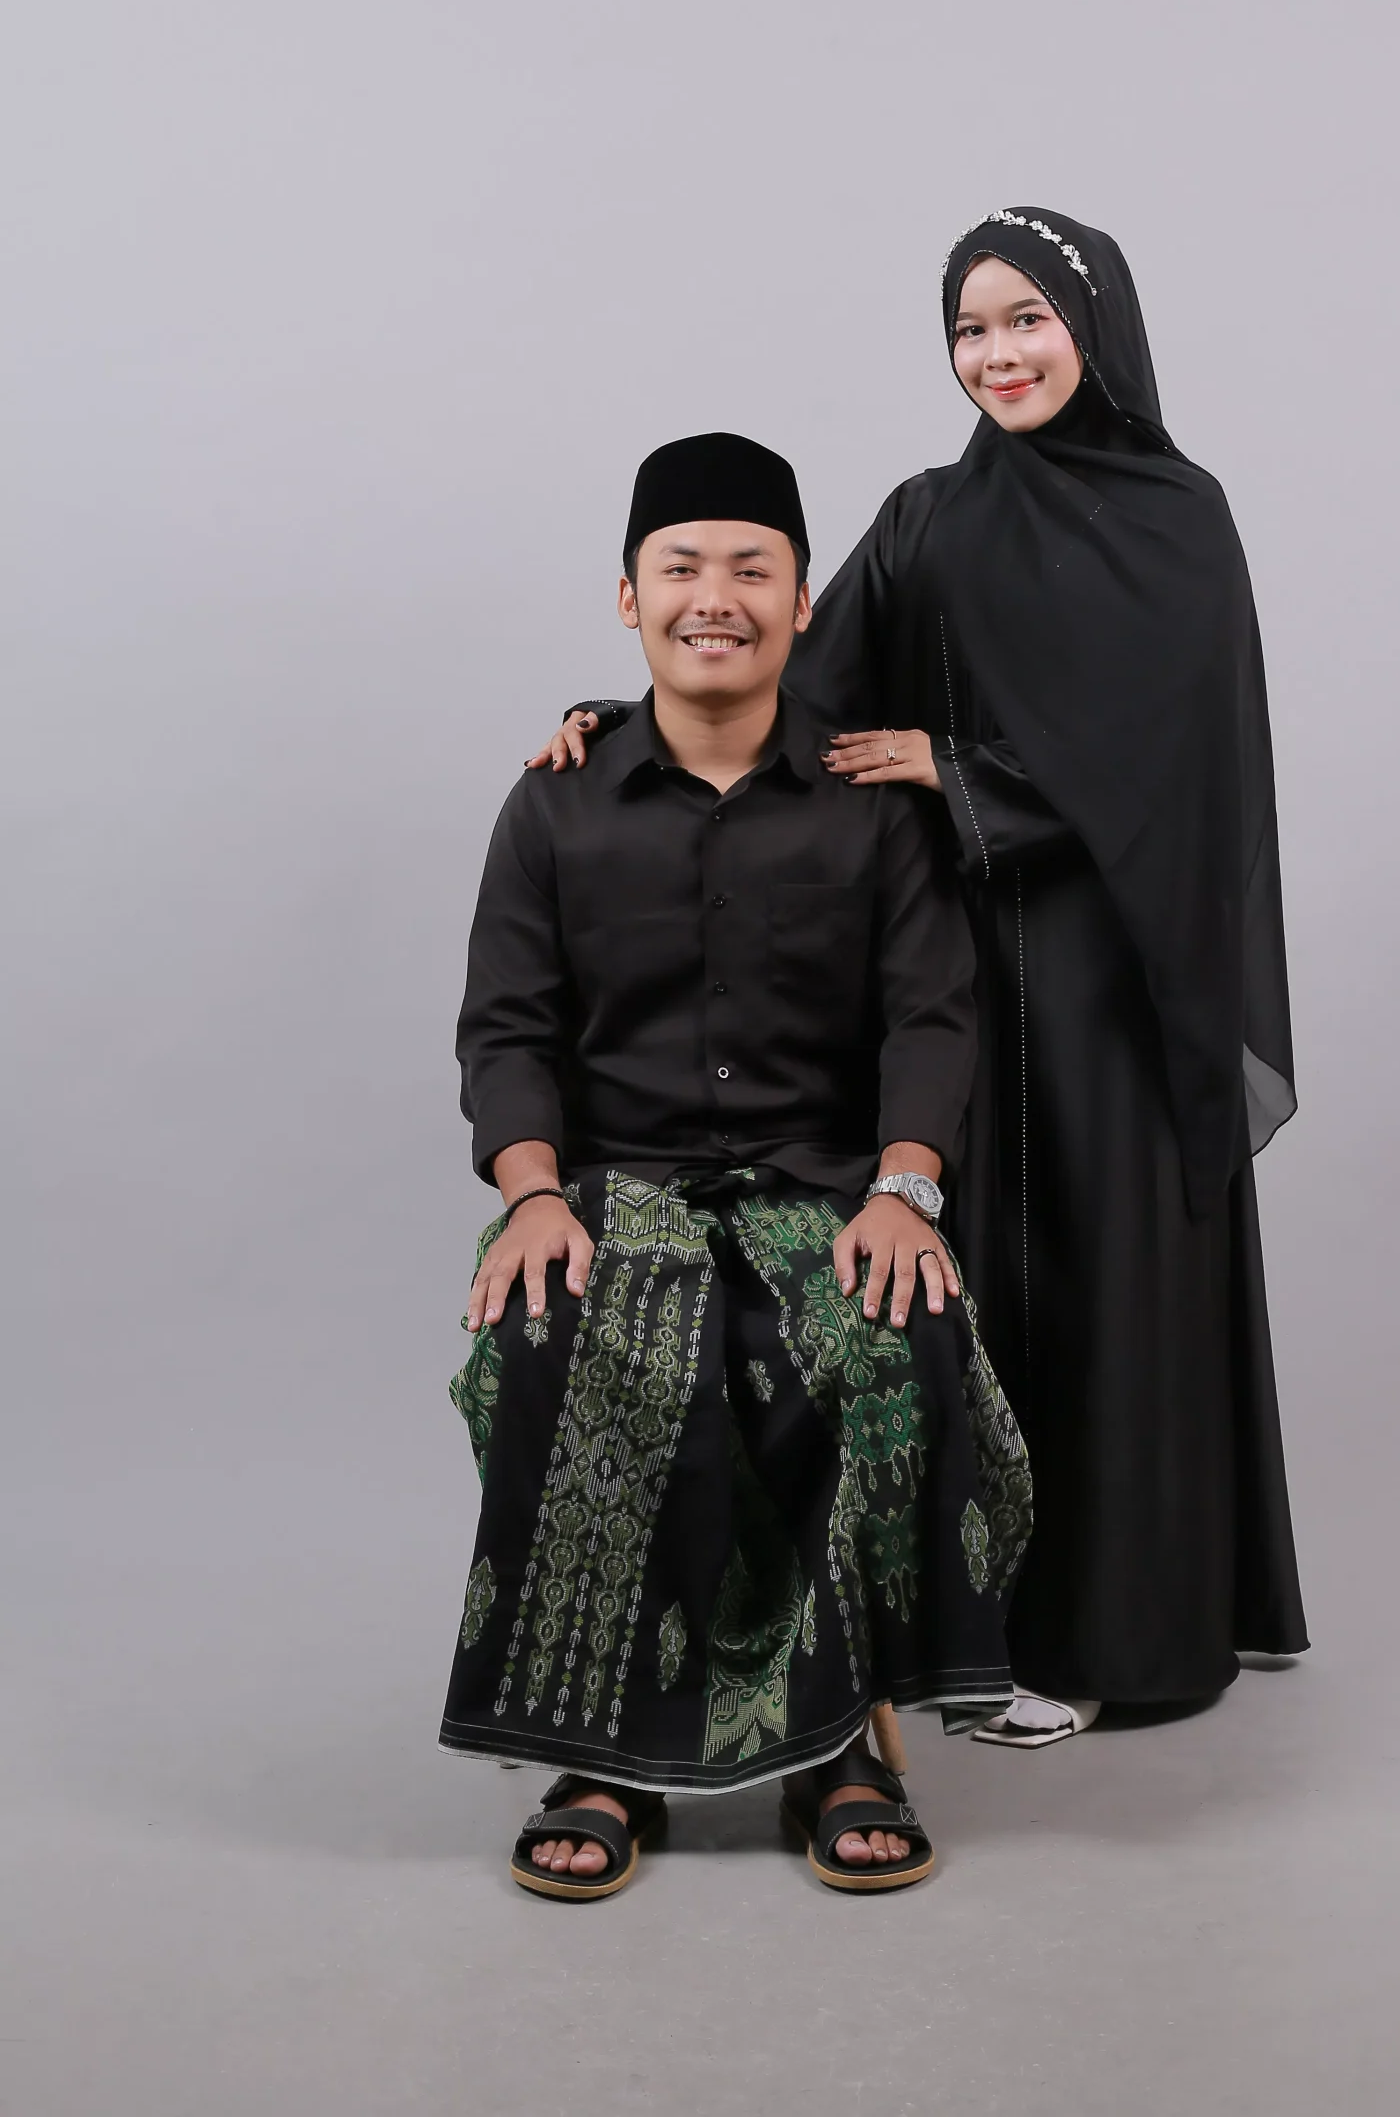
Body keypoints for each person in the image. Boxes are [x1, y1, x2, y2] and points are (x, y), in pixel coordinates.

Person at [540, 212, 1307, 1748]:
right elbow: (801, 688)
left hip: (1114, 982)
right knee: (962, 1284)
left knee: (1105, 1288)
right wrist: (631, 726)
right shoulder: (927, 518)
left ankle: (1121, 1638)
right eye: (969, 328)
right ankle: (970, 1638)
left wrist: (958, 770)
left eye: (1026, 319)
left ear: (1094, 325)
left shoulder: (1177, 518)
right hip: (957, 971)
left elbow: (1175, 768)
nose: (997, 354)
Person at [446, 430, 1031, 1899]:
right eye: (682, 569)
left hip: (825, 1184)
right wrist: (530, 1196)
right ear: (628, 599)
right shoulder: (556, 799)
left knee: (879, 1329)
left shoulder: (871, 799)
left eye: (752, 570)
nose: (717, 597)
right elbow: (507, 1028)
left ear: (803, 601)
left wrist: (904, 1189)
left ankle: (839, 1743)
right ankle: (605, 1754)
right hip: (611, 1186)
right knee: (563, 1332)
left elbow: (931, 1015)